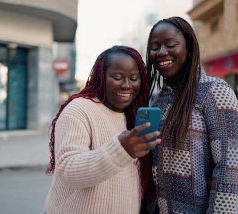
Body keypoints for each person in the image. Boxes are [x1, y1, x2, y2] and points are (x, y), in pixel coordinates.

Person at [44, 45, 161, 214]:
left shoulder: (133, 117)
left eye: (134, 78)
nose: (127, 85)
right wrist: (121, 149)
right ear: (101, 77)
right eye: (117, 77)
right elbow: (68, 170)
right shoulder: (79, 109)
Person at [144, 17, 238, 214]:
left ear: (189, 48)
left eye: (170, 44)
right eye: (154, 47)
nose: (162, 52)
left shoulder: (215, 92)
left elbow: (228, 168)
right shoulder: (155, 100)